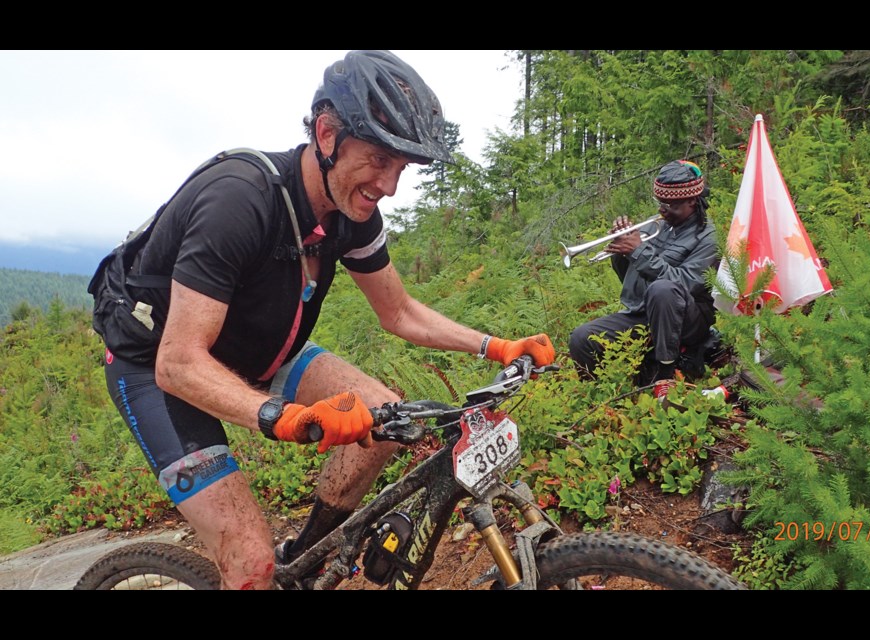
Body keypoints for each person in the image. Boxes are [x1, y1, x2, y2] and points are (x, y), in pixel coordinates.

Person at [93, 50, 555, 590]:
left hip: (257, 349)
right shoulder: (238, 201)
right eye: (379, 160)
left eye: (400, 168)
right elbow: (178, 362)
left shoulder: (351, 213)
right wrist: (284, 416)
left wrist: (496, 346)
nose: (388, 185)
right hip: (157, 366)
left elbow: (400, 311)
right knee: (249, 561)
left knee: (382, 418)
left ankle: (307, 563)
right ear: (328, 132)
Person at [568, 160, 717, 384]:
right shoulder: (652, 227)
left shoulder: (708, 237)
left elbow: (685, 284)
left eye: (671, 205)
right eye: (660, 203)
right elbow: (628, 279)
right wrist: (621, 251)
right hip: (643, 313)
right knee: (581, 338)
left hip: (687, 319)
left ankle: (665, 377)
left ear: (692, 201)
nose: (662, 210)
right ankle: (605, 393)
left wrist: (638, 251)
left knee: (663, 289)